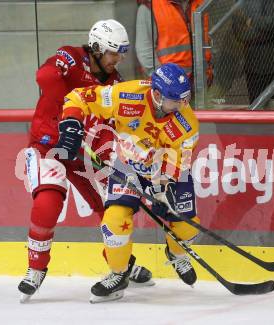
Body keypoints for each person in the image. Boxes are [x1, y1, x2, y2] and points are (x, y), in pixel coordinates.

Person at [18, 19, 153, 302]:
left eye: (122, 53)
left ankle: (121, 264)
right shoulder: (70, 56)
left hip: (82, 153)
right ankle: (36, 268)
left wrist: (112, 155)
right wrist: (71, 114)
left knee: (112, 207)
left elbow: (110, 126)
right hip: (49, 145)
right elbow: (45, 77)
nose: (119, 59)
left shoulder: (115, 83)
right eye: (114, 52)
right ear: (96, 48)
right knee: (47, 202)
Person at [58, 62, 200, 303]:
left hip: (166, 172)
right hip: (128, 167)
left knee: (187, 226)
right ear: (156, 95)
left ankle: (176, 253)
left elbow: (180, 161)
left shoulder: (188, 124)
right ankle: (118, 273)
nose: (182, 106)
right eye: (176, 101)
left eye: (185, 100)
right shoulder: (126, 95)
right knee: (114, 220)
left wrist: (163, 184)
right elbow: (78, 97)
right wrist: (71, 122)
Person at [135, 0, 212, 85]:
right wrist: (164, 80)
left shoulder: (201, 2)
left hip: (201, 82)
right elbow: (145, 51)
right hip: (169, 89)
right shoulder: (149, 6)